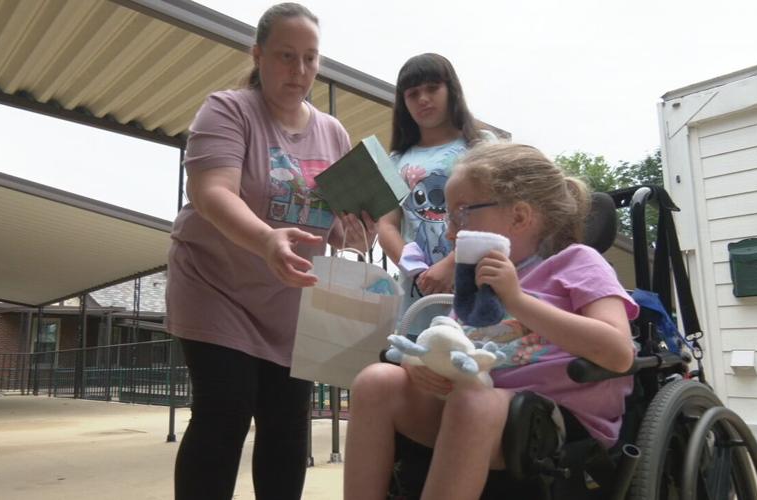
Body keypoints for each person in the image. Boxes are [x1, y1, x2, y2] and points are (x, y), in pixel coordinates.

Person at [344, 143, 639, 500]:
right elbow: (449, 341)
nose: (451, 233)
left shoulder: (578, 263)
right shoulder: (477, 278)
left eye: (461, 215)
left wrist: (516, 300)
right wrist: (417, 362)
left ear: (518, 217)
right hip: (471, 404)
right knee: (376, 381)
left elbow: (618, 353)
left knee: (472, 404)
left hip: (556, 419)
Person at [165, 4, 373, 499]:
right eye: (285, 56)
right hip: (217, 286)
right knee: (226, 409)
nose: (299, 71)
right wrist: (265, 238)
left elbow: (334, 226)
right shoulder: (228, 109)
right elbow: (211, 192)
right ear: (258, 55)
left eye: (309, 59)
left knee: (287, 422)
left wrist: (352, 231)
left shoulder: (333, 132)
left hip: (290, 300)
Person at [376, 53, 495, 337]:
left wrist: (452, 264)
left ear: (451, 89)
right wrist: (418, 271)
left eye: (432, 88)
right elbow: (386, 225)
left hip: (479, 291)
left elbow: (496, 214)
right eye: (413, 93)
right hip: (417, 305)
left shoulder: (482, 145)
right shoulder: (396, 160)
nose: (423, 99)